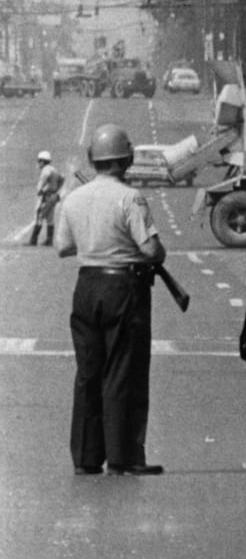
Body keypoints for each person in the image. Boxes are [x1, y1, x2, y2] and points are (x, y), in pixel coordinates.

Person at [54, 123, 166, 477]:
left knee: (89, 371)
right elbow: (152, 250)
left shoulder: (73, 199)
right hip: (123, 288)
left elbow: (63, 247)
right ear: (126, 159)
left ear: (94, 159)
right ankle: (123, 456)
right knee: (123, 371)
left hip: (86, 286)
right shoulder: (129, 198)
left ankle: (86, 458)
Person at [29, 149, 64, 246]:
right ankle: (49, 240)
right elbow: (62, 179)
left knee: (39, 216)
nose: (38, 164)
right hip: (54, 196)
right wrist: (57, 188)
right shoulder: (54, 170)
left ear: (42, 161)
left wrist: (40, 190)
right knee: (50, 218)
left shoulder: (46, 170)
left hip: (46, 196)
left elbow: (43, 180)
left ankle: (33, 239)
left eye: (39, 161)